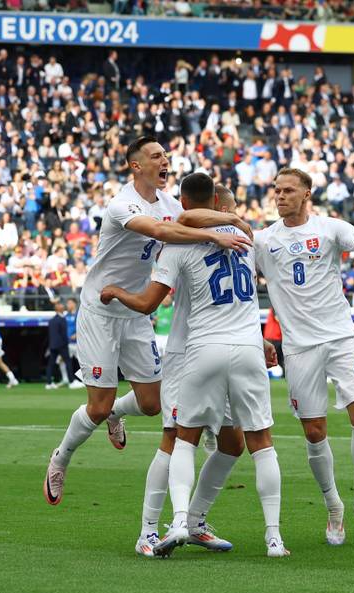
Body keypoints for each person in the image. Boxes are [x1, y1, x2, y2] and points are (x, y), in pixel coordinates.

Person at [42, 136, 251, 509]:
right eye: (156, 156)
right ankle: (61, 457)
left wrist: (230, 217)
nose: (164, 160)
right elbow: (161, 231)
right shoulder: (122, 204)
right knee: (97, 406)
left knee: (152, 404)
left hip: (136, 310)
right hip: (101, 309)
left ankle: (117, 414)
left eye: (166, 154)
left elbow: (191, 215)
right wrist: (214, 235)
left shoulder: (170, 203)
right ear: (136, 166)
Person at [99, 172, 287, 558]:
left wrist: (115, 291)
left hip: (208, 346)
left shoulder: (184, 240)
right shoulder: (237, 238)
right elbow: (191, 222)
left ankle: (193, 521)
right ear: (217, 206)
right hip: (191, 350)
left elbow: (151, 301)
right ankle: (149, 531)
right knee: (175, 438)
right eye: (228, 209)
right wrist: (231, 221)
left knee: (230, 443)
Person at [253, 167, 354, 544]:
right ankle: (334, 506)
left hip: (340, 337)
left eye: (288, 190)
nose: (280, 196)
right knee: (314, 430)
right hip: (299, 347)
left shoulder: (330, 228)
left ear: (307, 194)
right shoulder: (264, 240)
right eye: (277, 190)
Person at [46, 301, 76, 390]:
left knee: (51, 364)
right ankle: (71, 382)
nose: (64, 307)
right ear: (59, 309)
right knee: (68, 362)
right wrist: (66, 342)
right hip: (62, 345)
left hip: (53, 345)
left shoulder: (51, 320)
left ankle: (49, 383)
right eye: (62, 306)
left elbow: (51, 335)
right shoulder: (62, 319)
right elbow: (63, 334)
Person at [56, 298, 80, 386]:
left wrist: (77, 334)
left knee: (83, 363)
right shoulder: (66, 316)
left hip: (77, 344)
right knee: (60, 360)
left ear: (74, 304)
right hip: (67, 343)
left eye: (69, 303)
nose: (67, 305)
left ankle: (85, 380)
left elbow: (84, 327)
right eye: (67, 303)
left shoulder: (79, 314)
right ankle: (65, 379)